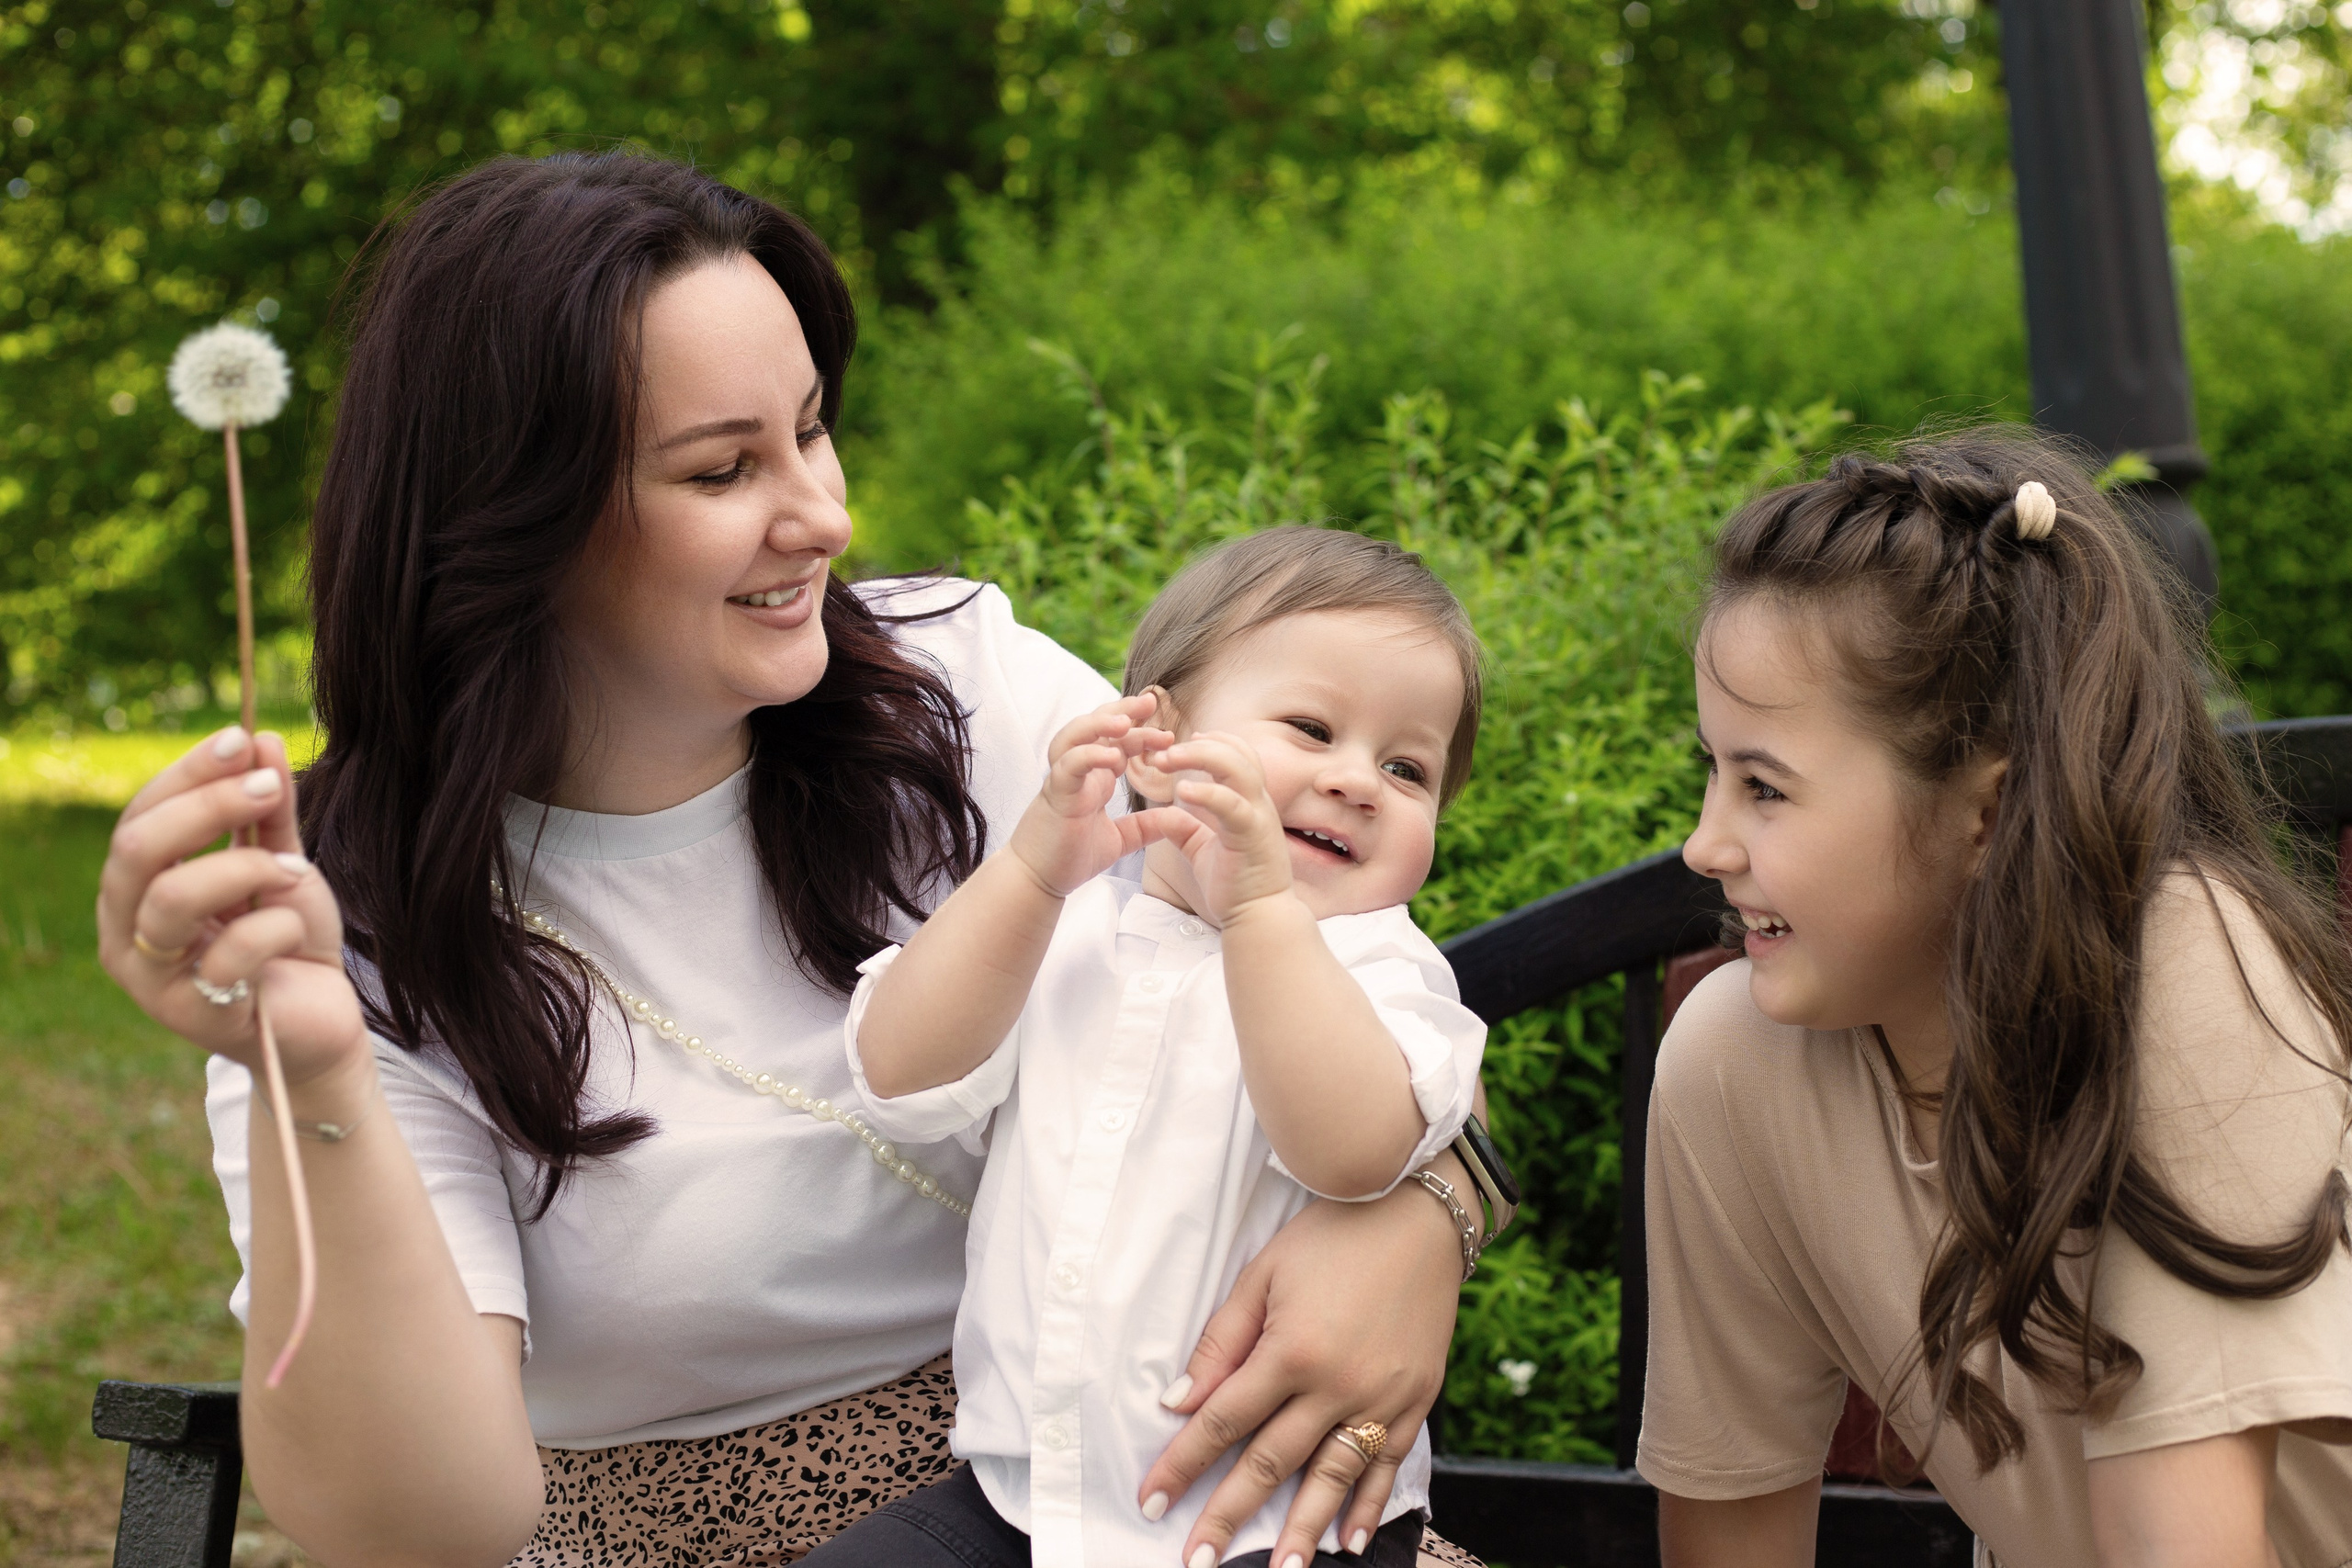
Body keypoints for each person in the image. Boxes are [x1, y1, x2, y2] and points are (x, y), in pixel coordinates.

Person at [92, 151, 1492, 1568]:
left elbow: (1332, 958)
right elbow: (419, 1530)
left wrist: (1423, 1216)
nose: (823, 515)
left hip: (1155, 1496)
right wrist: (317, 1080)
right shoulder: (357, 935)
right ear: (512, 521)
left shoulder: (967, 685)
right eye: (723, 467)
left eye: (813, 432)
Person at [1642, 429, 2352, 1566]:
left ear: (1988, 810)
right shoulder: (1736, 1062)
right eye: (1711, 772)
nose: (1703, 843)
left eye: (1764, 786)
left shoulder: (2182, 968)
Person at [808, 528, 1487, 1568]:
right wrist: (1032, 873)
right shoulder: (1063, 927)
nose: (1359, 780)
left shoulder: (1379, 969)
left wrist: (1261, 910)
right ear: (1156, 736)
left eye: (1408, 768)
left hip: (1274, 1522)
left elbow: (1349, 1153)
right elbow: (899, 1071)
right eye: (1312, 727)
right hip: (1027, 1499)